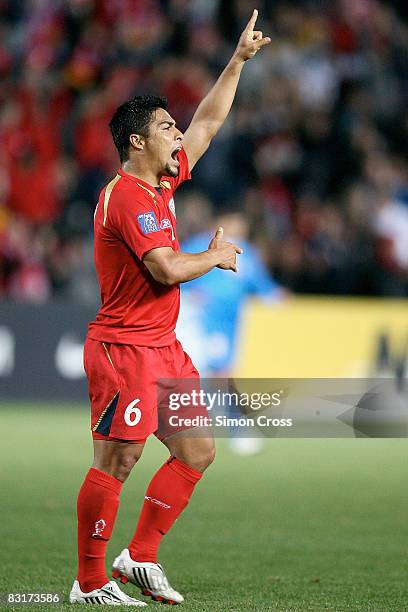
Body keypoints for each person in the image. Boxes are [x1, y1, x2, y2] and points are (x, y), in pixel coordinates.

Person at [69, 10, 271, 606]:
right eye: (165, 128)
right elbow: (164, 268)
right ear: (138, 141)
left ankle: (140, 557)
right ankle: (89, 584)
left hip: (162, 346)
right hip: (124, 348)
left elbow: (208, 122)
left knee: (198, 450)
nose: (178, 134)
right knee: (118, 460)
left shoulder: (160, 184)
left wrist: (236, 61)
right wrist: (218, 256)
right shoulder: (128, 198)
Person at [178, 211, 283, 455]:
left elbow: (262, 285)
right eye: (233, 225)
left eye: (242, 227)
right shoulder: (199, 245)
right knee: (218, 377)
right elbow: (176, 272)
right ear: (220, 225)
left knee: (216, 378)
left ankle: (210, 427)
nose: (238, 231)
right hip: (202, 322)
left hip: (231, 325)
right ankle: (237, 429)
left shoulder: (246, 253)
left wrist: (275, 296)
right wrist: (189, 295)